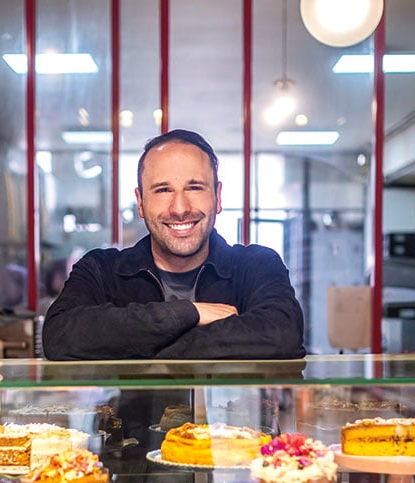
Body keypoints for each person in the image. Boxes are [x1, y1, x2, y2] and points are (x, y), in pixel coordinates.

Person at [42, 129, 305, 360]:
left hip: (234, 418)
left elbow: (282, 332)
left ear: (218, 196)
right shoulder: (101, 270)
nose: (180, 209)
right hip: (129, 419)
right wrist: (189, 313)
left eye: (195, 188)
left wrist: (150, 348)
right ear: (141, 202)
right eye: (163, 190)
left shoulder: (256, 265)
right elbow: (60, 335)